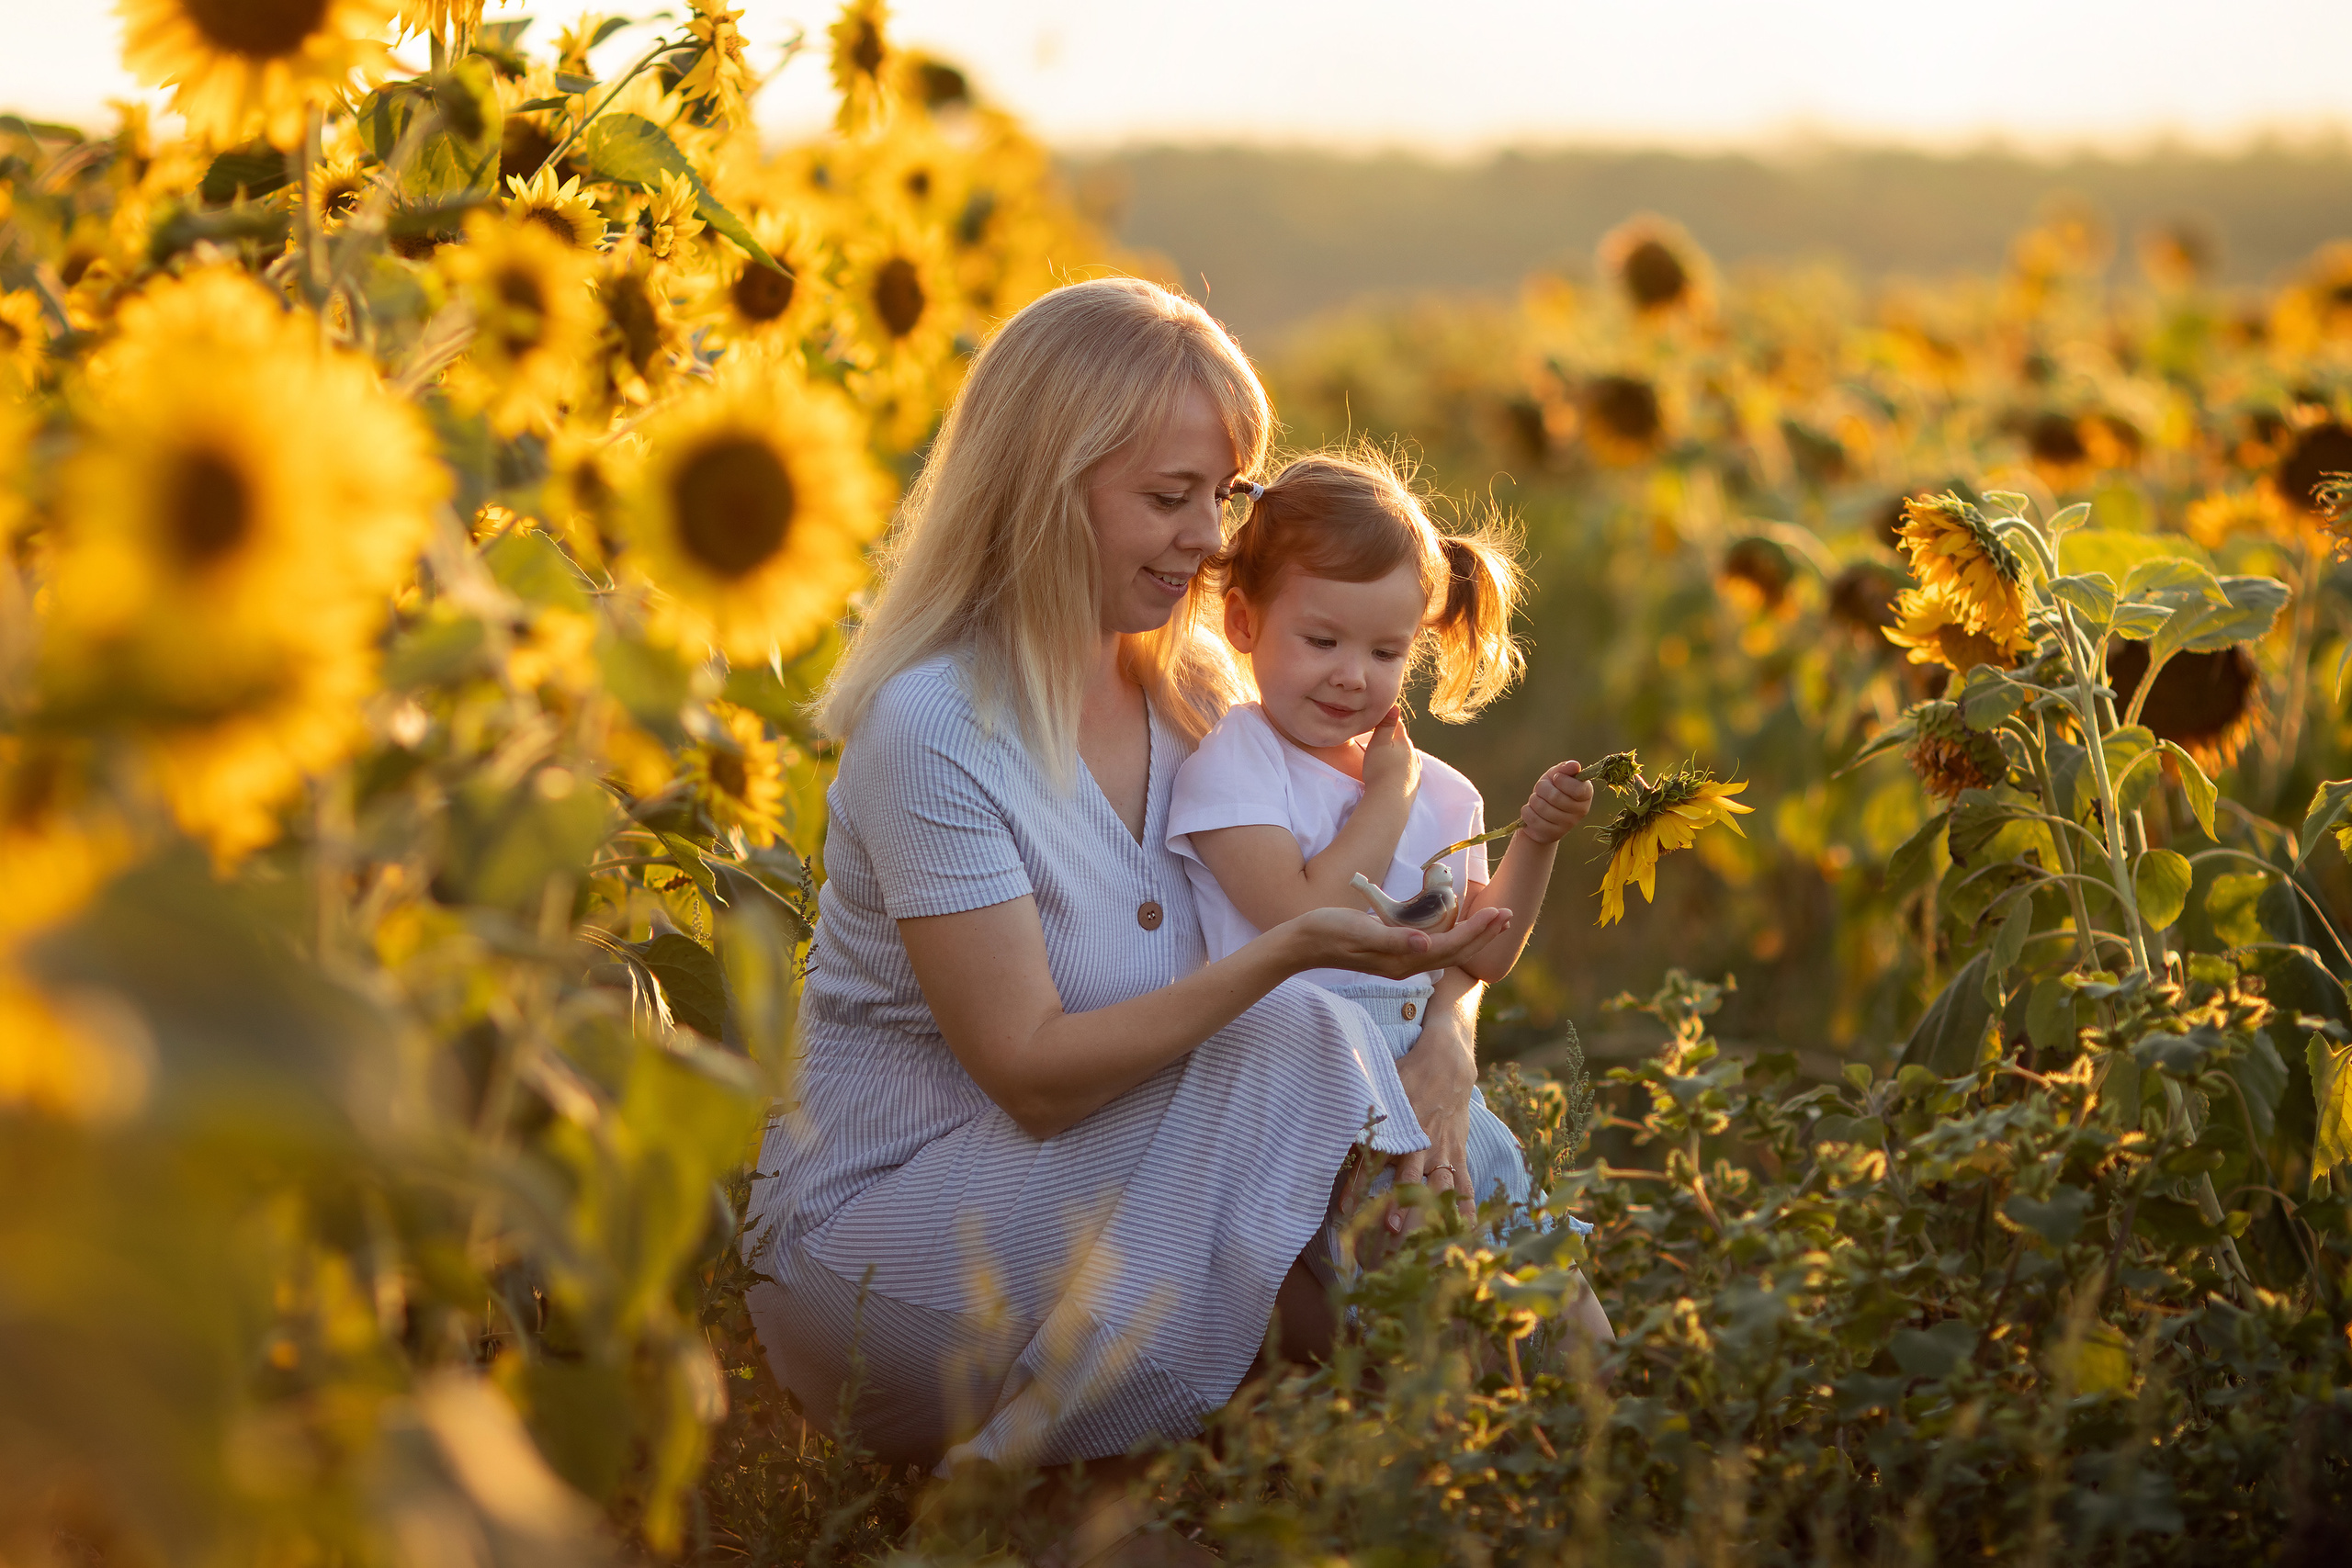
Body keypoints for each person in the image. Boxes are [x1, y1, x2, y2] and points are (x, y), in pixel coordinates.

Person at [740, 277, 1514, 1496]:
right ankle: (1027, 1488)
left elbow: (1428, 912)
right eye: (1168, 496)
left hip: (1139, 1194)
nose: (1209, 536)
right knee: (1303, 1053)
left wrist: (1449, 1043)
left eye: (1226, 493)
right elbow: (1033, 1074)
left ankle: (1548, 1426)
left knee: (1432, 1147)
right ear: (1047, 486)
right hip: (893, 1252)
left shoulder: (1204, 693)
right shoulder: (936, 725)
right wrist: (1288, 955)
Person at [1164, 453, 1613, 1332]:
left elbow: (1484, 954)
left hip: (1437, 1095)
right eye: (1322, 641)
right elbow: (1304, 917)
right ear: (1244, 621)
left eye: (1385, 651)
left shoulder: (1441, 789)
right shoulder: (1240, 762)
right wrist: (1387, 797)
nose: (1352, 675)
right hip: (1309, 1101)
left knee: (1556, 1299)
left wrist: (1536, 841)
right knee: (1422, 1325)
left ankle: (1626, 1414)